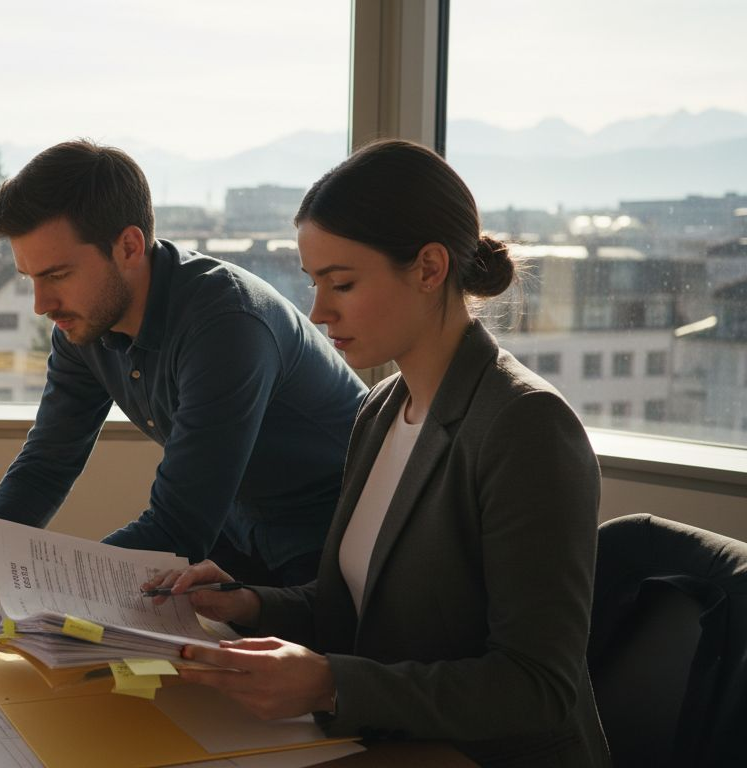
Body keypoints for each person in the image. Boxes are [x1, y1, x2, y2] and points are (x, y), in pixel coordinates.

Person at [146, 140, 610, 767]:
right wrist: (251, 603)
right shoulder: (383, 407)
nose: (319, 310)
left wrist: (332, 683)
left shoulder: (525, 426)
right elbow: (358, 609)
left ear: (428, 268)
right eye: (314, 283)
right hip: (391, 736)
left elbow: (537, 686)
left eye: (342, 283)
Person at [0, 139, 367, 635]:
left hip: (335, 555)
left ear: (128, 246)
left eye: (56, 274)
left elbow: (176, 528)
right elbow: (46, 464)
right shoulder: (84, 323)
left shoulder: (226, 321)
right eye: (29, 278)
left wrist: (5, 601)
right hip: (239, 544)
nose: (41, 304)